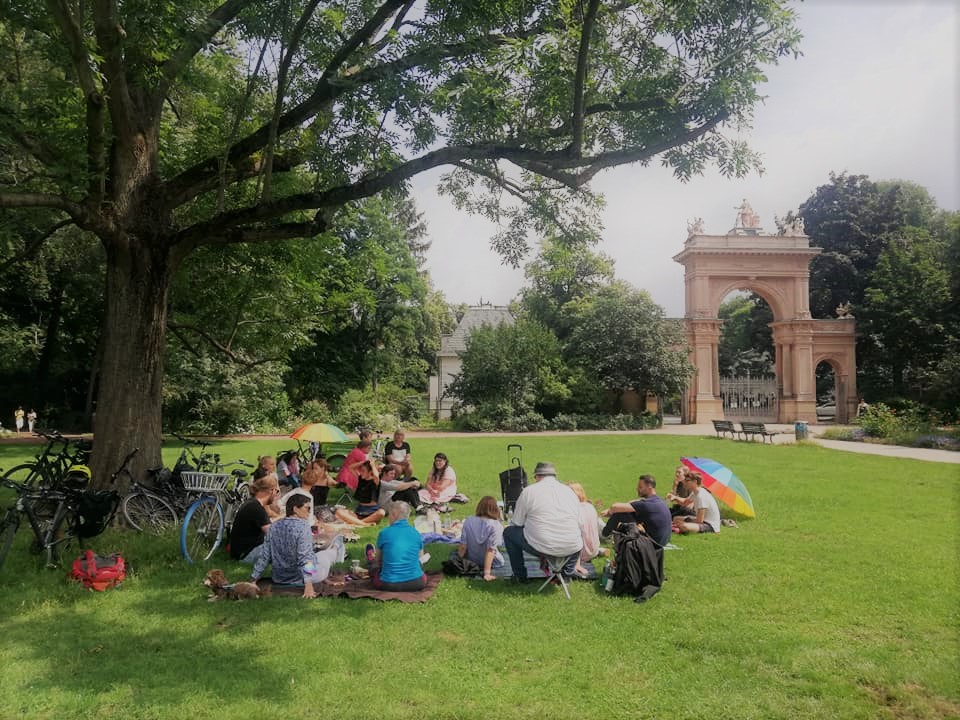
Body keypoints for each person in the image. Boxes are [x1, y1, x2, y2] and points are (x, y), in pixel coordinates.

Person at [251, 494, 345, 599]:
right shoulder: (303, 526)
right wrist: (308, 585)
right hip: (304, 577)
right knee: (328, 553)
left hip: (279, 578)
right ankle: (337, 546)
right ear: (295, 508)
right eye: (308, 508)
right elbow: (305, 558)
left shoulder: (274, 526)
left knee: (319, 555)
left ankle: (337, 547)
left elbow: (265, 556)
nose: (310, 512)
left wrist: (253, 579)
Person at [503, 461, 582, 582]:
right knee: (576, 538)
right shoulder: (569, 492)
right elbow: (580, 523)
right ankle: (566, 575)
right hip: (571, 547)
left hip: (541, 545)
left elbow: (517, 523)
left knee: (509, 532)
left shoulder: (529, 491)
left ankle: (520, 576)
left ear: (537, 476)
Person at [367, 500, 427, 591]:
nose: (389, 518)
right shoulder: (416, 533)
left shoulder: (385, 533)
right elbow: (421, 560)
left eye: (390, 515)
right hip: (417, 583)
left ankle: (369, 557)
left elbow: (378, 560)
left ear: (394, 514)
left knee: (373, 568)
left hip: (389, 584)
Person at [601, 474, 673, 548]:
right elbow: (635, 503)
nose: (637, 488)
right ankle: (609, 534)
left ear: (649, 488)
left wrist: (610, 511)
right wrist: (614, 510)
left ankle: (604, 535)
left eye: (640, 487)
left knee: (620, 514)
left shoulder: (646, 504)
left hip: (653, 544)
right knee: (628, 512)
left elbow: (614, 507)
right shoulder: (658, 500)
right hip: (662, 541)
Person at [230, 475, 280, 563]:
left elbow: (267, 524)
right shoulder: (256, 508)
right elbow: (272, 533)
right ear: (271, 491)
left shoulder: (252, 503)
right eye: (277, 491)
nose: (276, 495)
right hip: (246, 554)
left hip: (243, 551)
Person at [458, 495, 505, 581]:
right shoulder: (496, 526)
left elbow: (463, 546)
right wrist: (487, 573)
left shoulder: (468, 521)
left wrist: (458, 561)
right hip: (494, 563)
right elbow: (491, 550)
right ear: (495, 509)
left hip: (471, 560)